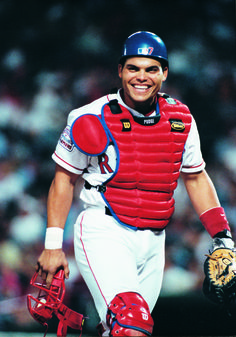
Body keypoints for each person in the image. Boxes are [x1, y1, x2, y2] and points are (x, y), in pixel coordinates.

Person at [36, 31, 234, 336]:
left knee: (118, 330)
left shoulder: (181, 118)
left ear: (164, 73)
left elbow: (195, 176)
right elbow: (64, 179)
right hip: (105, 231)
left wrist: (222, 236)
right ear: (120, 70)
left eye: (151, 69)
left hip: (155, 241)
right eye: (133, 68)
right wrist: (52, 246)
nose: (141, 77)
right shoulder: (91, 116)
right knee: (131, 324)